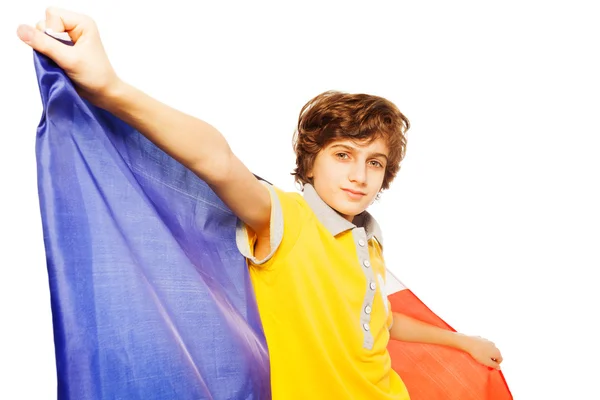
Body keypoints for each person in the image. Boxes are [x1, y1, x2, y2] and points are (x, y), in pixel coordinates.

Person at [17, 7, 503, 399]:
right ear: (311, 162)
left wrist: (460, 342)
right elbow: (218, 160)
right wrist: (112, 89)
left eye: (375, 162)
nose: (359, 174)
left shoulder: (367, 243)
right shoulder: (285, 221)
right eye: (343, 155)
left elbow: (381, 323)